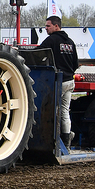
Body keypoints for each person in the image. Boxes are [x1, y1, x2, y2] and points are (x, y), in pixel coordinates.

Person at [39, 15, 79, 148]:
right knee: (65, 111)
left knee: (51, 110)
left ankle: (53, 141)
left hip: (58, 82)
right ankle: (66, 141)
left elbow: (37, 53)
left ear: (56, 26)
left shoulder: (52, 40)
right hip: (69, 81)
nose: (46, 29)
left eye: (48, 26)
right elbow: (75, 64)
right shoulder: (71, 42)